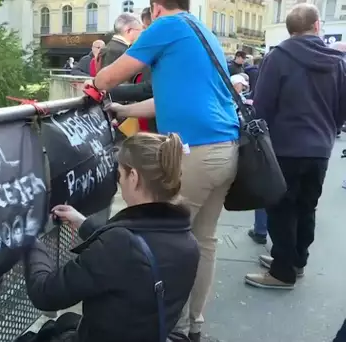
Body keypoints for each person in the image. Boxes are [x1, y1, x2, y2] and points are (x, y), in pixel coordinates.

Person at [88, 0, 240, 339]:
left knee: (168, 240)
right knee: (202, 240)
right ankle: (192, 324)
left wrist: (99, 82)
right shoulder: (201, 30)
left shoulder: (166, 27)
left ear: (156, 7)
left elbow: (107, 77)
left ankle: (173, 329)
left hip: (196, 150)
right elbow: (168, 99)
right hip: (225, 148)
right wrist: (123, 108)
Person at [23, 132, 200, 342]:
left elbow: (45, 293)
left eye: (120, 175)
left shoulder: (119, 245)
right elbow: (140, 248)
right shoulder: (189, 242)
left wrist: (29, 238)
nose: (120, 182)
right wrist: (83, 222)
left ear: (133, 177)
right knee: (66, 322)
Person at [245, 3, 346, 289]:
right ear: (317, 26)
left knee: (281, 208)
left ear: (289, 30)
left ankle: (282, 271)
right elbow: (342, 108)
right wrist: (328, 129)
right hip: (320, 148)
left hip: (286, 146)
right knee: (307, 207)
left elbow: (262, 105)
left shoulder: (277, 58)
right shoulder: (337, 61)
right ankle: (295, 261)